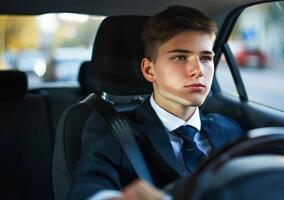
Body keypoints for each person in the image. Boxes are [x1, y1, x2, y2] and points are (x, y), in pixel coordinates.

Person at [68, 5, 244, 200]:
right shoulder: (113, 131)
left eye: (205, 57)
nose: (199, 70)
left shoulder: (229, 129)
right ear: (149, 70)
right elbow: (89, 187)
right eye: (180, 57)